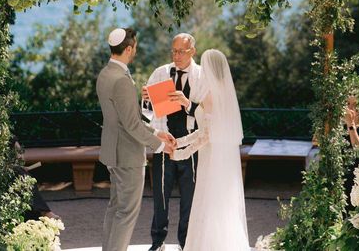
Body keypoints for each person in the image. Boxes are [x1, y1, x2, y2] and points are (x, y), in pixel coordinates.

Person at [96, 27, 176, 251]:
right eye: (135, 48)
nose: (135, 52)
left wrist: (156, 133)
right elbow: (131, 124)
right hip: (128, 156)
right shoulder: (121, 80)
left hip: (113, 152)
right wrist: (160, 145)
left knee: (115, 208)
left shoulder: (105, 73)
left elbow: (124, 120)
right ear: (129, 48)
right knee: (126, 213)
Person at [170, 49, 249, 251]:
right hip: (221, 159)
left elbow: (205, 135)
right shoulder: (225, 93)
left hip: (211, 158)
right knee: (221, 204)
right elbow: (207, 130)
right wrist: (179, 142)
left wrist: (181, 152)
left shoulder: (209, 94)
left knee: (208, 203)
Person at [142, 33, 206, 251]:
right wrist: (147, 100)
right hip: (164, 144)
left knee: (189, 198)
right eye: (174, 51)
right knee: (160, 197)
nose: (176, 55)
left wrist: (187, 102)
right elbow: (146, 113)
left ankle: (185, 243)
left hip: (191, 146)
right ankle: (158, 242)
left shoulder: (203, 76)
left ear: (192, 52)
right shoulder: (160, 73)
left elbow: (208, 114)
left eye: (182, 51)